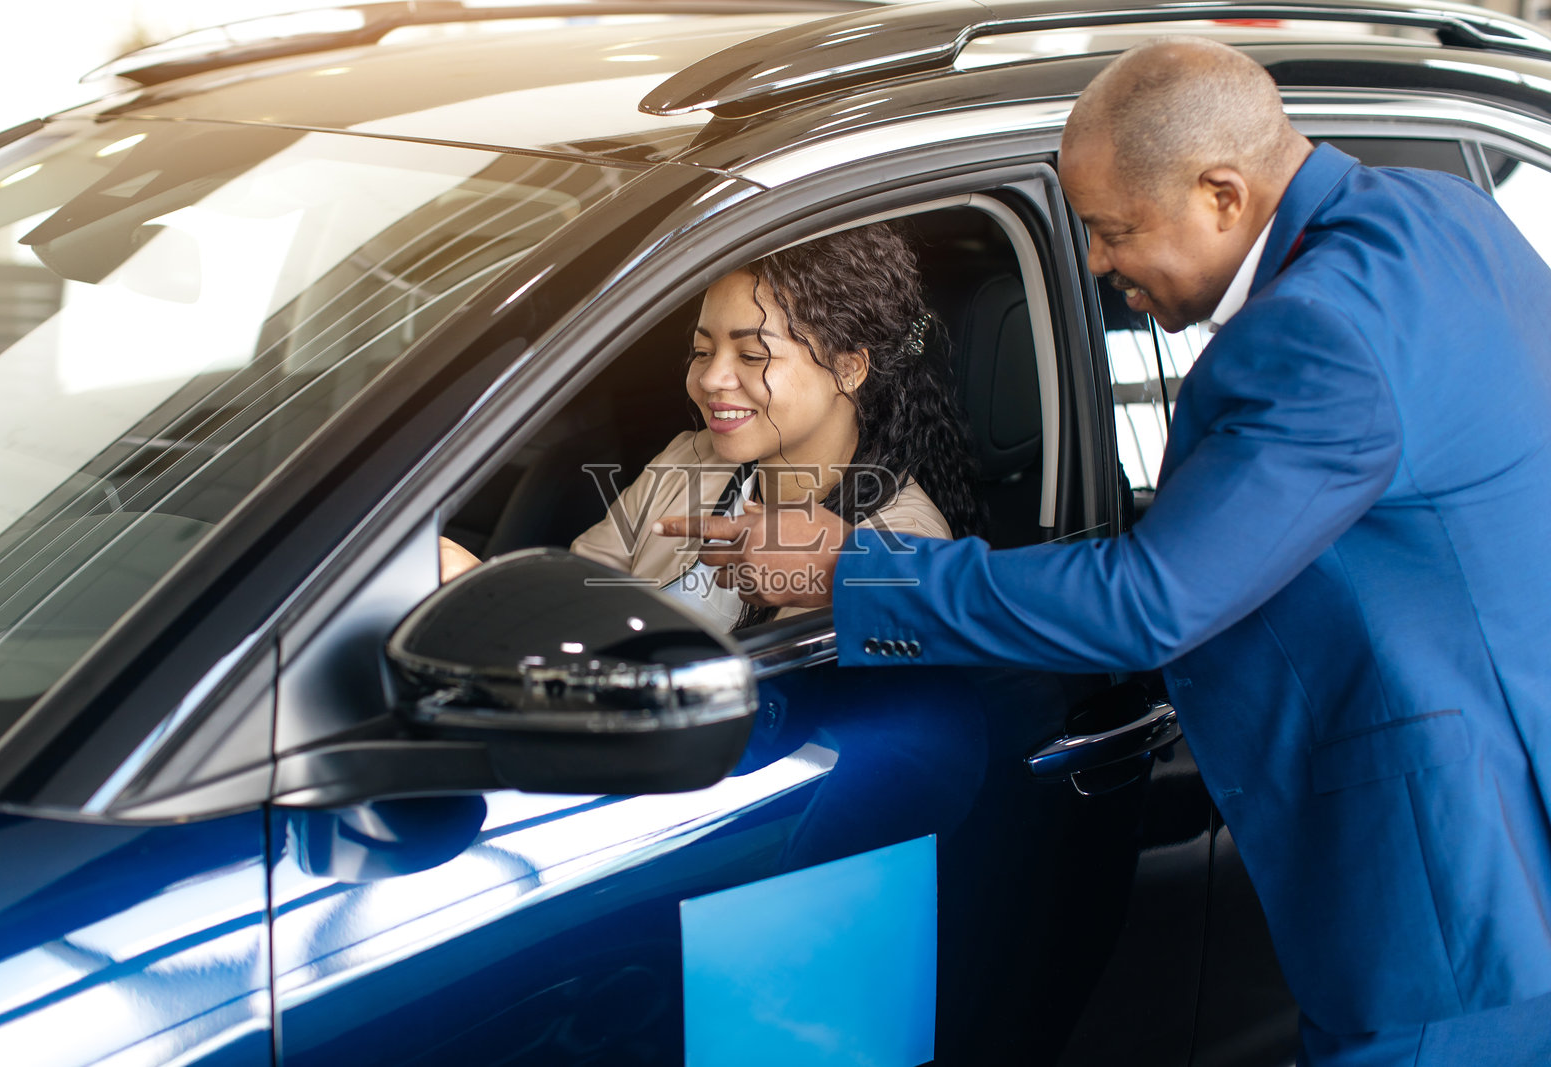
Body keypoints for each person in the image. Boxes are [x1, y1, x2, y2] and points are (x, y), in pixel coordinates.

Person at [661, 38, 1551, 1066]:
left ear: (1222, 193)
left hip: (1446, 885)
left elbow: (1150, 600)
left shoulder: (1316, 333)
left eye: (1110, 229)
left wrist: (842, 572)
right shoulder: (1445, 214)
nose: (1092, 263)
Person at [444, 222, 980, 631]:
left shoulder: (893, 543)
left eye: (751, 355)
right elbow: (581, 598)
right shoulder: (689, 459)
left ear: (848, 368)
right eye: (703, 350)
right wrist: (485, 592)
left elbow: (786, 717)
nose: (710, 378)